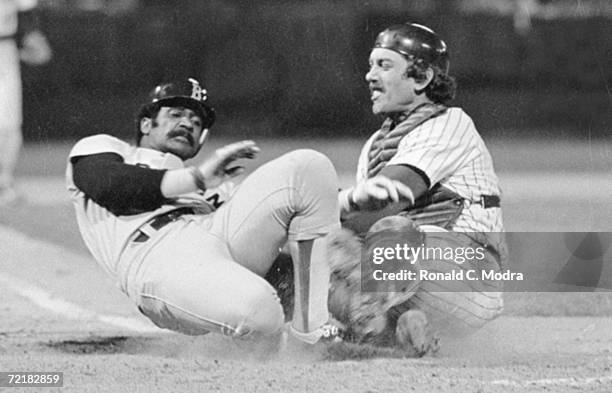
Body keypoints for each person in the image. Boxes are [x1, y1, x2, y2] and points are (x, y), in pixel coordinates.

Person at [66, 78, 343, 349]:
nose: (188, 123)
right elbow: (112, 186)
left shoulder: (216, 186)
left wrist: (355, 200)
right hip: (155, 257)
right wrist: (196, 178)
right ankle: (268, 340)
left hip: (216, 234)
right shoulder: (108, 150)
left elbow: (300, 214)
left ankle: (311, 331)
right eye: (176, 114)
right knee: (261, 313)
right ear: (146, 124)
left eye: (196, 122)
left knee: (309, 166)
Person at [335, 23, 505, 354]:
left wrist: (315, 209)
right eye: (370, 65)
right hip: (414, 280)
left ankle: (371, 332)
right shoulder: (374, 144)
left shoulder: (449, 124)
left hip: (466, 275)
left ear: (422, 77)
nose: (370, 76)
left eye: (384, 65)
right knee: (321, 251)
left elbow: (385, 202)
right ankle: (394, 336)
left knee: (386, 232)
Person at [0, 0, 52, 204]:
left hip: (4, 50)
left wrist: (33, 36)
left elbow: (26, 13)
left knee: (10, 125)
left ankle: (3, 182)